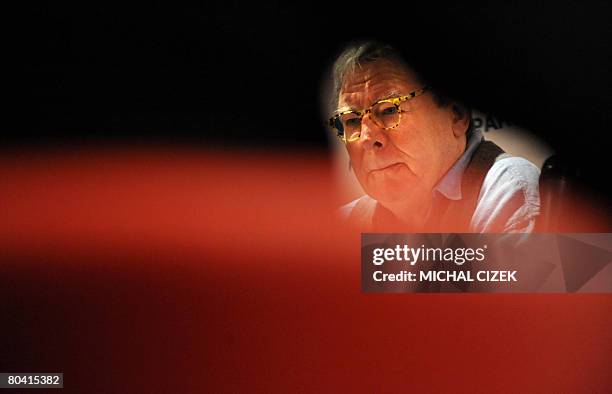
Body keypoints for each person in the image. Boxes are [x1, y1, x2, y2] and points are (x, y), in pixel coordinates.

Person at [326, 41, 540, 232]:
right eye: (352, 120)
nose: (367, 138)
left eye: (390, 110)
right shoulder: (343, 225)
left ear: (457, 114)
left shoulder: (507, 189)